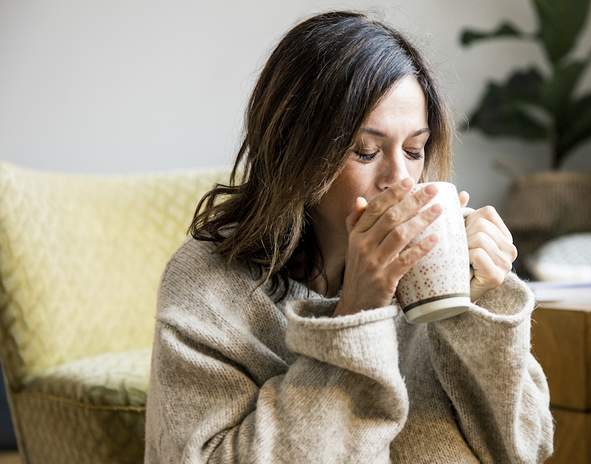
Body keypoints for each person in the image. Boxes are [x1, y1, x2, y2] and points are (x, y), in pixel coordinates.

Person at [144, 10, 554, 464]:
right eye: (366, 151)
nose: (400, 179)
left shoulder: (435, 269)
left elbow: (521, 448)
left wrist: (476, 307)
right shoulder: (208, 287)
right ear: (294, 151)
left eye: (414, 150)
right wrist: (357, 316)